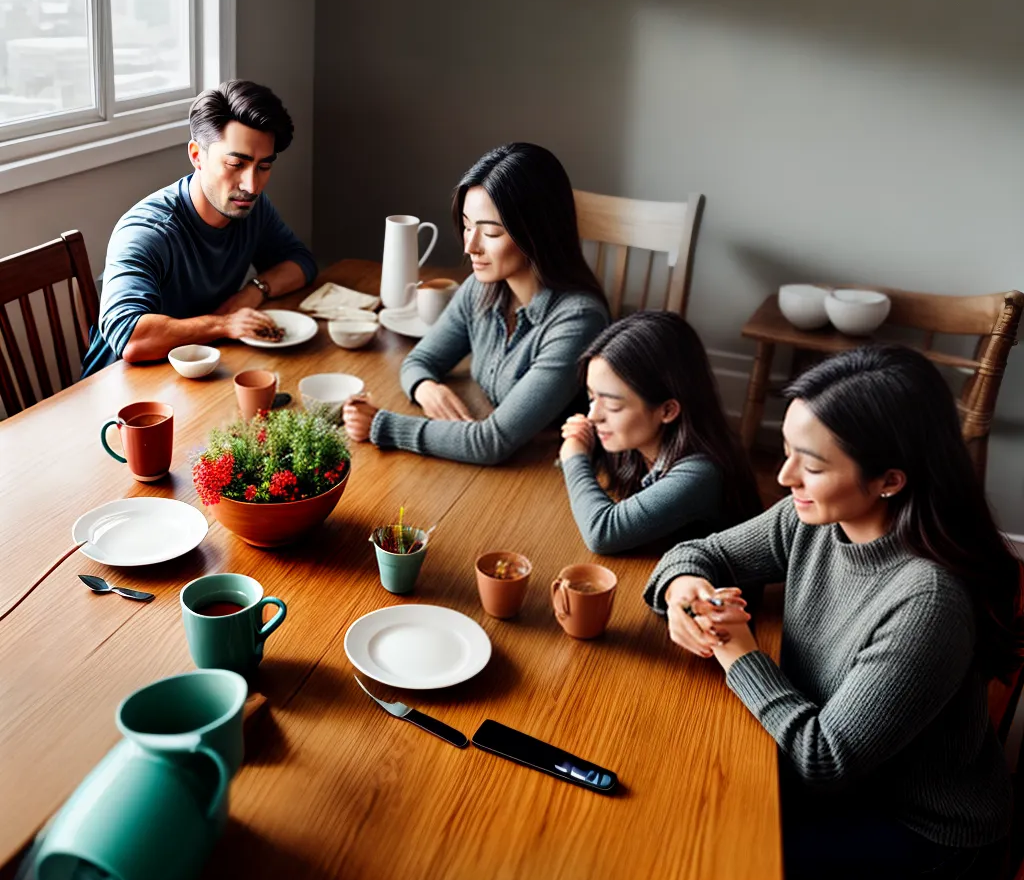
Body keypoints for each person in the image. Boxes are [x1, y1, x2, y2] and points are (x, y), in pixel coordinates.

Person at [643, 345, 1021, 880]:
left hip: (921, 834)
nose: (783, 476)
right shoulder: (817, 519)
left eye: (812, 465)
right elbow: (701, 553)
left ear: (889, 479)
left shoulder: (928, 601)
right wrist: (685, 591)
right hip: (833, 777)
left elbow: (823, 759)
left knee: (701, 860)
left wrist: (738, 651)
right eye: (788, 450)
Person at [343, 142, 609, 464]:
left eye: (491, 233)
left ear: (538, 234)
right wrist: (425, 387)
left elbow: (491, 443)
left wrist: (382, 425)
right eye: (468, 226)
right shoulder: (481, 288)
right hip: (489, 450)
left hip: (547, 470)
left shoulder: (578, 321)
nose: (470, 246)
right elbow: (419, 360)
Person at [81, 80, 317, 376]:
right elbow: (132, 339)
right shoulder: (146, 232)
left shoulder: (251, 208)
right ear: (197, 155)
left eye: (264, 167)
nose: (251, 185)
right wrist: (225, 323)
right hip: (120, 389)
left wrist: (253, 292)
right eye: (235, 164)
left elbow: (300, 262)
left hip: (200, 370)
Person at [558, 311, 761, 554]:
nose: (593, 415)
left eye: (612, 405)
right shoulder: (637, 438)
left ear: (667, 410)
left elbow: (602, 533)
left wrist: (574, 456)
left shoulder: (701, 473)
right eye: (591, 397)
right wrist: (583, 443)